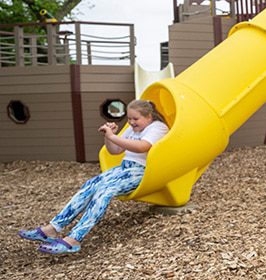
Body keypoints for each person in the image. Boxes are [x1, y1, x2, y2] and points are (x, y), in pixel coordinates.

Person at [18, 99, 169, 255]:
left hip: (143, 172)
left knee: (104, 192)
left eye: (135, 119)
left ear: (149, 116)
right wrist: (109, 136)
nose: (131, 122)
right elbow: (115, 150)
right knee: (91, 184)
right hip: (125, 168)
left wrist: (114, 136)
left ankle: (74, 239)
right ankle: (53, 228)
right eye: (129, 118)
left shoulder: (157, 128)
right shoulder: (133, 129)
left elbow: (143, 147)